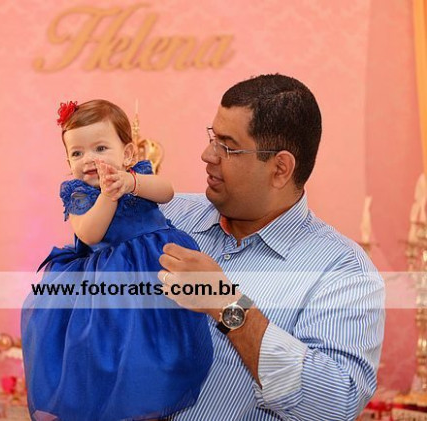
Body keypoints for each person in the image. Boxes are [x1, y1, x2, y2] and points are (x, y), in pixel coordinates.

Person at [157, 74, 385, 420]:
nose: (207, 155)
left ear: (280, 168)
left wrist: (227, 305)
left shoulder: (341, 270)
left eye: (227, 146)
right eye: (212, 138)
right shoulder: (167, 218)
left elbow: (335, 405)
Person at [21, 99, 213, 421]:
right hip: (107, 279)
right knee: (107, 347)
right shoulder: (79, 192)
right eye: (77, 153)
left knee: (155, 343)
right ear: (68, 161)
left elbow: (166, 192)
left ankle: (151, 398)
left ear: (127, 154)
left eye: (100, 148)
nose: (89, 159)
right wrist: (109, 196)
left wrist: (132, 183)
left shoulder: (137, 175)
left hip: (153, 268)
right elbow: (89, 233)